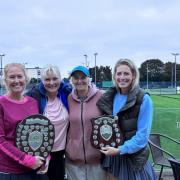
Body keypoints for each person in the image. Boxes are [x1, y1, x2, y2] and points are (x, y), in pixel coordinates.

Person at [96, 59, 157, 180]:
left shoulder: (144, 99)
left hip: (133, 158)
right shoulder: (110, 96)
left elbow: (142, 137)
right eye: (119, 73)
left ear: (133, 75)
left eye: (126, 73)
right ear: (114, 76)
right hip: (113, 158)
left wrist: (120, 150)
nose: (122, 77)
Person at [0, 63, 48, 180]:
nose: (16, 80)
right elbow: (1, 141)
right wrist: (26, 159)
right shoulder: (1, 104)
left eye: (20, 76)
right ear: (5, 80)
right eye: (12, 77)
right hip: (11, 172)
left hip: (35, 169)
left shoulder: (32, 102)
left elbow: (40, 133)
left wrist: (45, 157)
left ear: (25, 79)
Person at [27, 65, 71, 180]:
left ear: (60, 79)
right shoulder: (34, 97)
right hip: (40, 153)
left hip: (60, 152)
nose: (51, 82)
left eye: (55, 78)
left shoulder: (66, 94)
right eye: (47, 79)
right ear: (42, 81)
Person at [65, 66, 107, 180]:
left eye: (83, 77)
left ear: (89, 78)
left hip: (97, 159)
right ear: (72, 80)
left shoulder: (101, 96)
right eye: (76, 78)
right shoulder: (68, 98)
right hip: (73, 160)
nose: (79, 81)